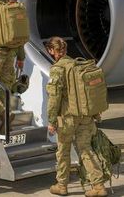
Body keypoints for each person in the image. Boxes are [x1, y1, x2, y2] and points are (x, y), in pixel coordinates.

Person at [46, 37, 107, 197]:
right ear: (65, 50)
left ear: (52, 51)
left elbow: (54, 98)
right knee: (85, 150)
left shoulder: (57, 69)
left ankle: (62, 185)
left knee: (63, 151)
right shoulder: (78, 65)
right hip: (85, 116)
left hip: (67, 118)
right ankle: (98, 186)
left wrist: (52, 121)